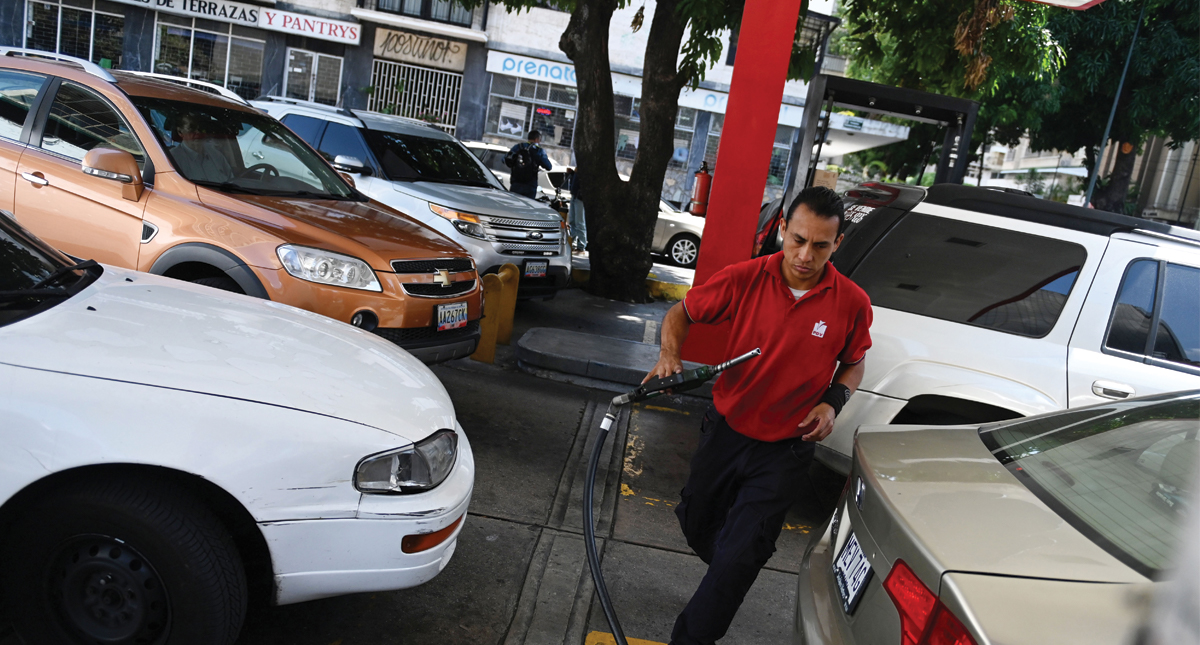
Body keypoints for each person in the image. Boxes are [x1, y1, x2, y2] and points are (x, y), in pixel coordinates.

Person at [644, 186, 872, 645]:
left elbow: (853, 362)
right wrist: (671, 354)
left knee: (737, 559)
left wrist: (832, 402)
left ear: (837, 244)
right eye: (798, 240)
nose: (806, 255)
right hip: (726, 432)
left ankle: (701, 621)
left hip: (786, 451)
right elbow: (680, 312)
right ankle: (736, 557)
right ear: (783, 230)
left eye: (821, 245)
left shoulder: (850, 302)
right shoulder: (744, 278)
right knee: (697, 523)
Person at [169, 113, 233, 183]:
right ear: (180, 132)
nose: (198, 132)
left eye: (201, 129)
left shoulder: (217, 156)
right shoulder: (172, 159)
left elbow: (232, 183)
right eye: (192, 128)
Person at [506, 130, 552, 199]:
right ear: (536, 139)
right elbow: (548, 166)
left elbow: (505, 159)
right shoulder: (539, 150)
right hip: (530, 185)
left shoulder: (518, 147)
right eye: (539, 140)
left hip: (516, 183)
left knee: (513, 205)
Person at [565, 166, 587, 251]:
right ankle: (573, 243)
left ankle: (581, 245)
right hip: (575, 194)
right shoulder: (579, 167)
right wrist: (572, 173)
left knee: (579, 222)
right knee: (573, 221)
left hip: (579, 196)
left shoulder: (586, 166)